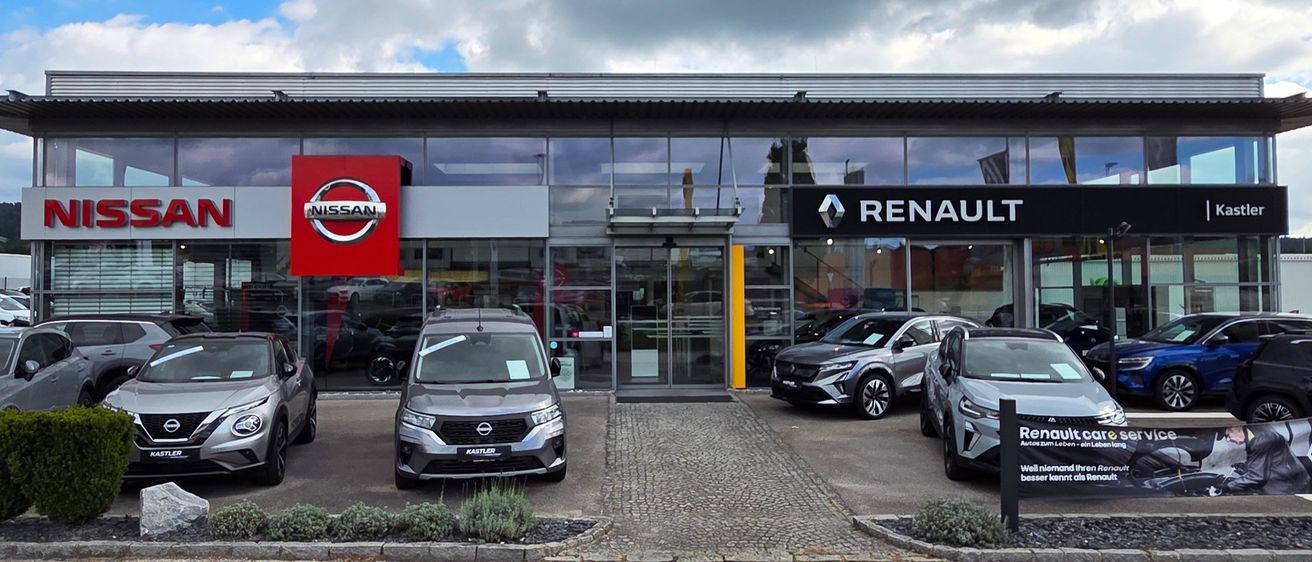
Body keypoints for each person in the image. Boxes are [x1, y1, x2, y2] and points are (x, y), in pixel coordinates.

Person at [1221, 425, 1312, 495]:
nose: (1228, 440)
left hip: (1287, 487)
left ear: (1237, 428)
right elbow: (1266, 459)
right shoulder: (1255, 431)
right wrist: (1245, 466)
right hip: (1294, 479)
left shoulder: (1261, 440)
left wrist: (1227, 487)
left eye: (1228, 435)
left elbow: (1257, 476)